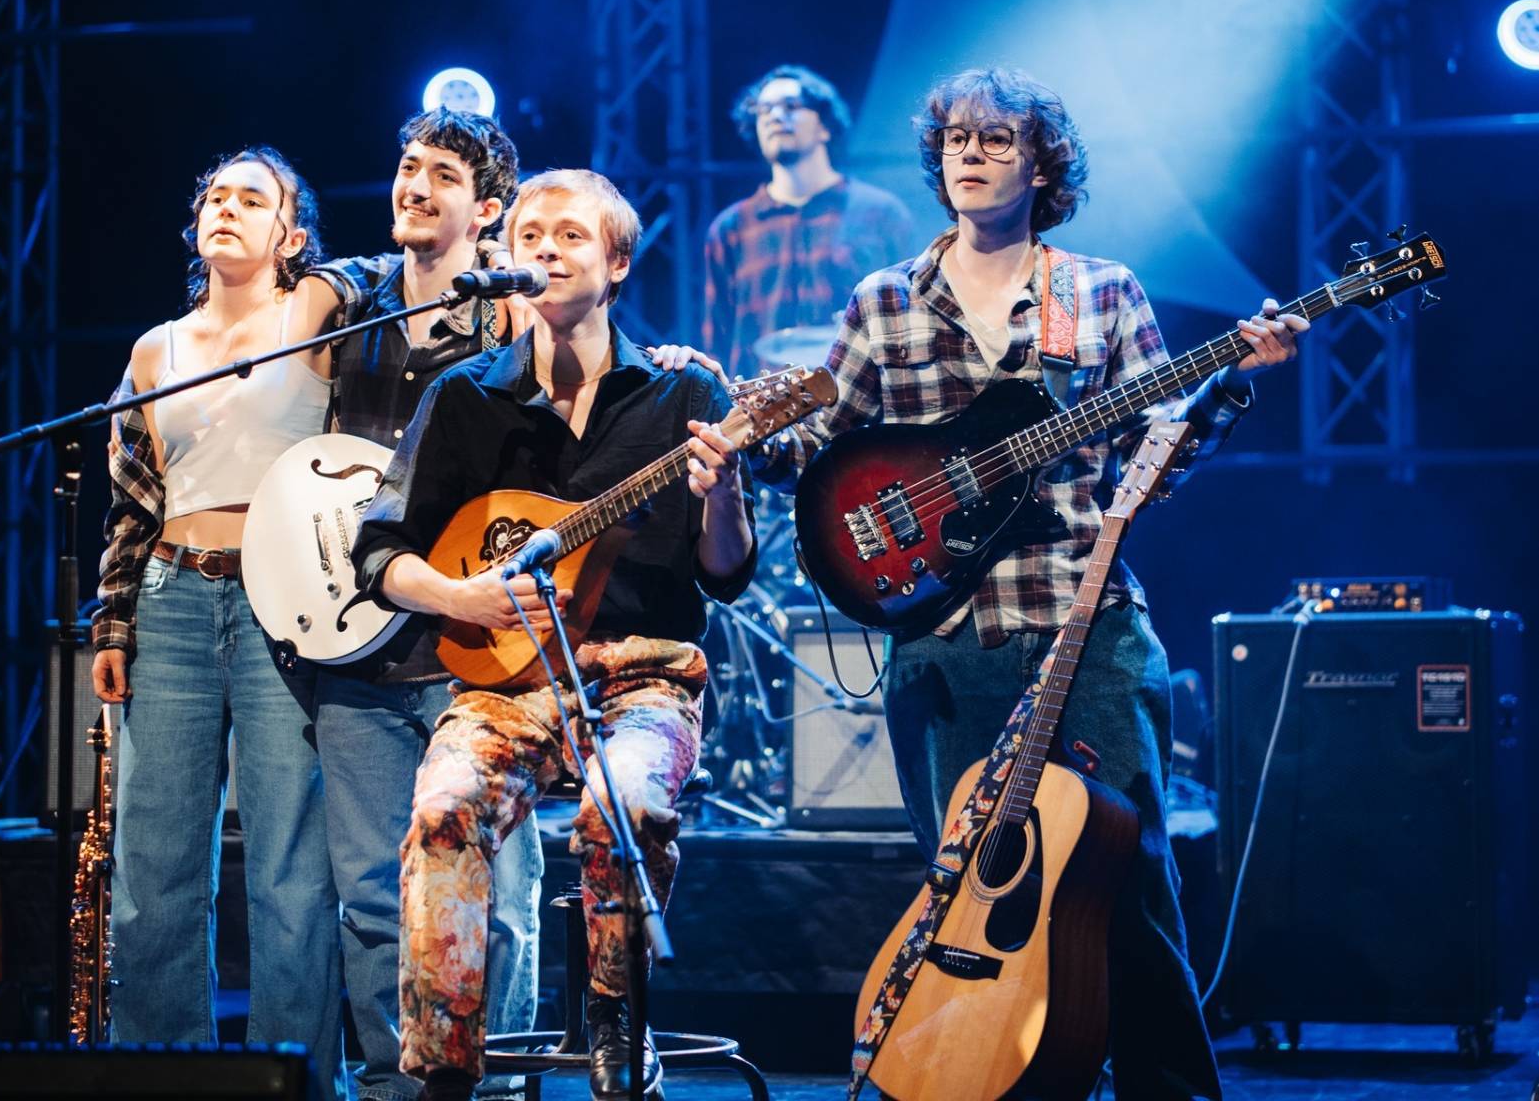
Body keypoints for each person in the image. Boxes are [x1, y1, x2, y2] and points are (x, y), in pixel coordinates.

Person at [759, 68, 1307, 1100]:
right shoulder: (883, 301)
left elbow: (1159, 458)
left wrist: (1227, 383)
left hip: (1083, 615)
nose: (969, 152)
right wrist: (755, 447)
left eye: (996, 139)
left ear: (1041, 162)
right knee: (968, 890)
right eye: (956, 139)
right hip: (940, 632)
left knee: (1129, 881)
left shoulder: (1096, 292)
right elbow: (823, 458)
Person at [352, 169, 757, 1101]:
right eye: (527, 234)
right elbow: (381, 550)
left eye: (570, 235)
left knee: (625, 806)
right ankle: (445, 1071)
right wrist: (464, 602)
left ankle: (619, 1025)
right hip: (502, 684)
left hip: (643, 674)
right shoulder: (464, 397)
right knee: (442, 810)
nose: (543, 249)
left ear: (616, 262)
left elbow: (726, 573)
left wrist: (721, 492)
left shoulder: (683, 390)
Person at [296, 108, 545, 1101]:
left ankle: (496, 1081)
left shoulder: (510, 319)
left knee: (497, 894)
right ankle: (400, 1090)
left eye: (440, 172)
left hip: (476, 652)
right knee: (367, 895)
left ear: (486, 210)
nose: (414, 183)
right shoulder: (348, 306)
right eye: (405, 165)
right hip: (356, 649)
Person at [90, 148, 343, 1098]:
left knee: (287, 863)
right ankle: (160, 1078)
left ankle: (299, 1081)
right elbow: (130, 503)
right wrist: (112, 627)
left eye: (254, 198)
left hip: (285, 596)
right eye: (214, 197)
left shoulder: (313, 311)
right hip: (171, 596)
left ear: (293, 233)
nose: (227, 209)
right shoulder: (155, 348)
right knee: (153, 861)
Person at [701, 64, 912, 379]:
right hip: (763, 411)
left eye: (790, 106)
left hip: (861, 403)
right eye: (764, 110)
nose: (775, 116)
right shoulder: (730, 228)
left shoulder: (880, 213)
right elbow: (716, 338)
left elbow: (908, 321)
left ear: (824, 126)